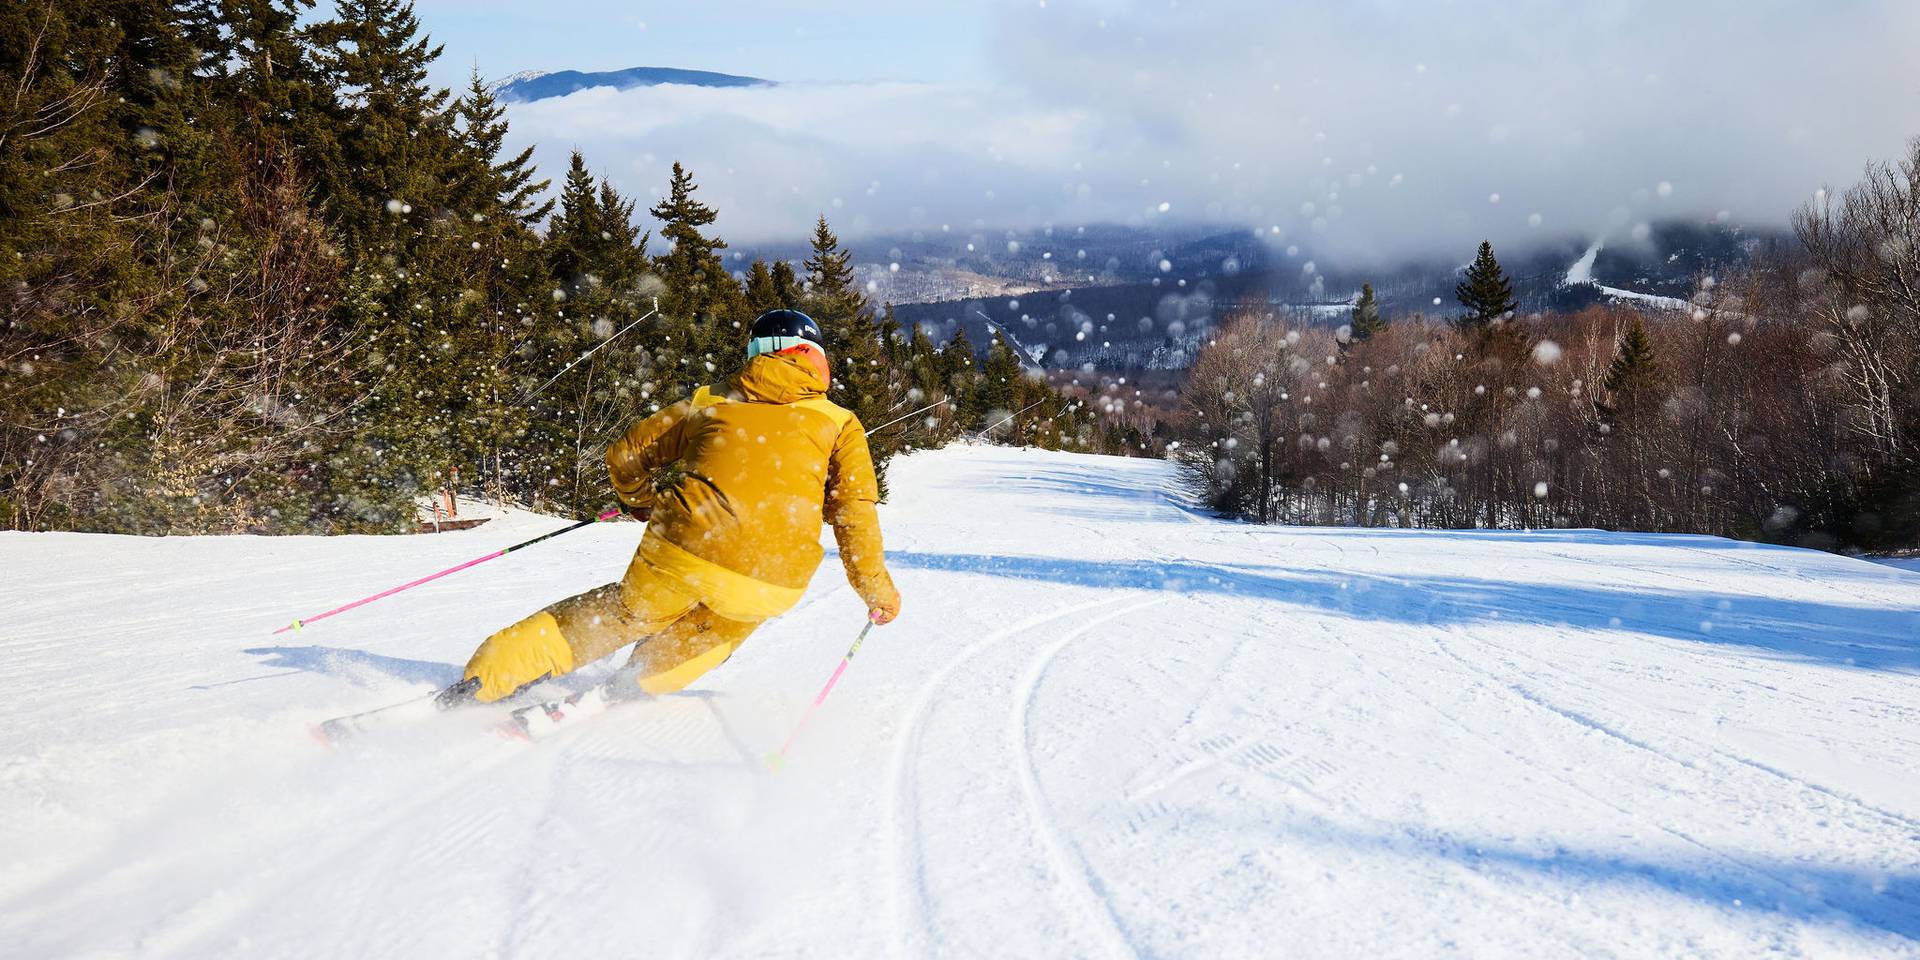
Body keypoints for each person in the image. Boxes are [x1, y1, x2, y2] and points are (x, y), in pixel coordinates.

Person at [458, 309, 902, 703]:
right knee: (724, 625)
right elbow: (854, 513)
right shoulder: (841, 423)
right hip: (775, 573)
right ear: (815, 357)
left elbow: (625, 456)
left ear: (757, 353)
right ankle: (639, 681)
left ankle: (490, 674)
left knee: (623, 615)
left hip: (682, 548)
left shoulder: (709, 400)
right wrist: (876, 591)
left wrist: (640, 502)